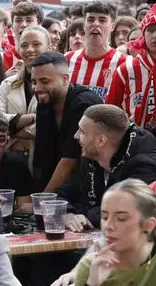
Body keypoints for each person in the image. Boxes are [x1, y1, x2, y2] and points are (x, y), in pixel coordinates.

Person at [56, 105, 156, 231]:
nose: (76, 136)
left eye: (81, 131)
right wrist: (69, 214)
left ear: (101, 141)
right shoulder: (92, 157)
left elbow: (125, 213)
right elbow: (62, 196)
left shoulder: (145, 166)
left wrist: (87, 214)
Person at [32, 52, 103, 192]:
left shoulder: (84, 104)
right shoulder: (44, 102)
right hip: (60, 185)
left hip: (90, 183)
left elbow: (70, 161)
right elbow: (42, 157)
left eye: (44, 81)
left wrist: (41, 201)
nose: (37, 88)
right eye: (34, 82)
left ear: (65, 79)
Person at [106, 2, 156, 129]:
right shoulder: (125, 70)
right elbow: (110, 113)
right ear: (144, 35)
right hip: (133, 143)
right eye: (151, 29)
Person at [0, 26, 50, 168]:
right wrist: (32, 118)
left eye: (36, 44)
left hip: (46, 160)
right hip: (11, 161)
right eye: (24, 45)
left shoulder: (58, 84)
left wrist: (15, 132)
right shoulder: (8, 83)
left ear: (49, 47)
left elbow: (51, 123)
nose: (29, 49)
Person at [65, 1, 129, 100]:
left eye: (102, 20)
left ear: (112, 26)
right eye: (90, 20)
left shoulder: (125, 63)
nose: (95, 24)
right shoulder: (67, 59)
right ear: (84, 25)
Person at [4, 2, 43, 73]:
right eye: (18, 20)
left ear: (39, 25)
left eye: (29, 20)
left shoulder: (50, 58)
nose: (24, 25)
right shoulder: (2, 59)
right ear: (12, 26)